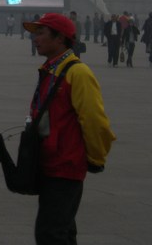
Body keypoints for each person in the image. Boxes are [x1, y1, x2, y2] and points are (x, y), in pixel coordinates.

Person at [21, 13, 115, 244]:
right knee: (61, 231)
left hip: (65, 166)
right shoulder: (51, 69)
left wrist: (95, 158)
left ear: (60, 38)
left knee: (50, 233)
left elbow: (94, 121)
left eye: (41, 33)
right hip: (49, 162)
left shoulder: (77, 73)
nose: (35, 38)